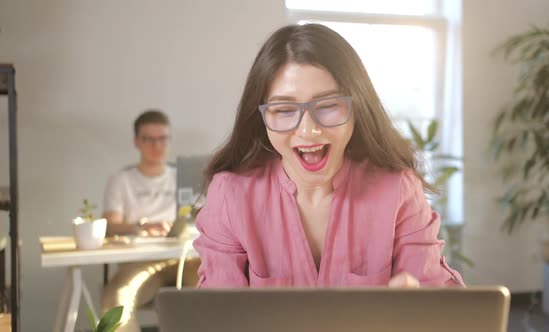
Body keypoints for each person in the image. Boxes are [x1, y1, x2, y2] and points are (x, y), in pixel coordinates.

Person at [193, 24, 464, 288]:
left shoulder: (398, 189)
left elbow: (442, 303)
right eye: (285, 110)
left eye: (328, 105)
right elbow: (217, 313)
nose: (308, 130)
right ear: (261, 118)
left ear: (357, 108)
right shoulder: (231, 194)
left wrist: (419, 304)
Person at [101, 110, 199, 332]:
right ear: (137, 142)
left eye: (162, 138)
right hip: (140, 261)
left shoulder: (183, 176)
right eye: (149, 139)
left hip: (186, 258)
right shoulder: (121, 180)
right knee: (117, 297)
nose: (157, 145)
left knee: (220, 287)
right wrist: (141, 226)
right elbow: (109, 225)